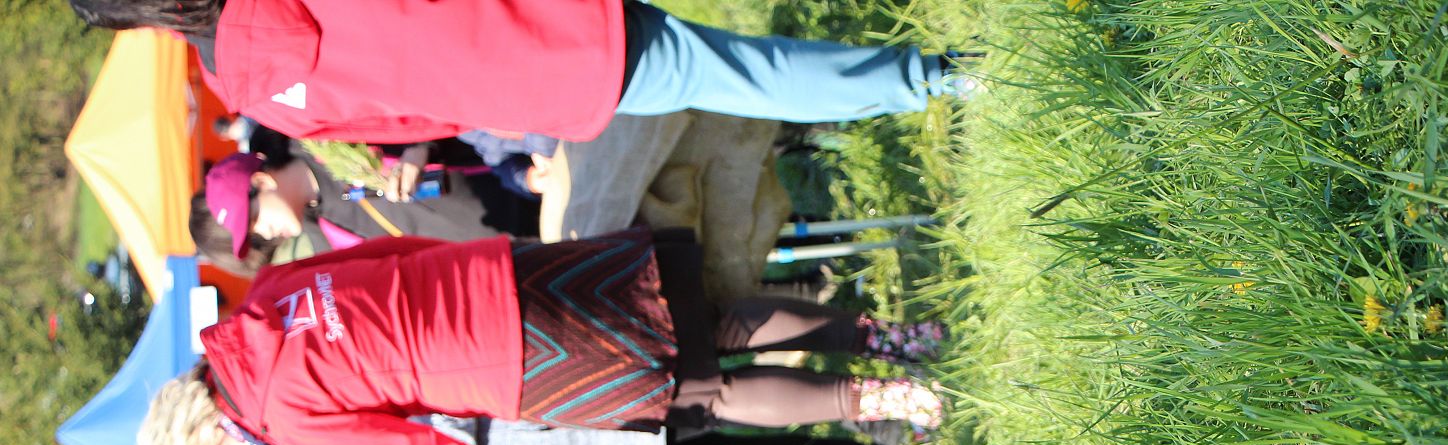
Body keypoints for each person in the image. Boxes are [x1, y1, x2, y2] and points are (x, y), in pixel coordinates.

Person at [135, 229, 943, 445]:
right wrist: (478, 262)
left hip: (505, 360)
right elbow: (388, 251)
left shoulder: (283, 420)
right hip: (496, 273)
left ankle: (890, 398)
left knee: (705, 390)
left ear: (210, 443)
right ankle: (889, 338)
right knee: (714, 317)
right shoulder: (261, 298)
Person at [68, 0, 969, 145]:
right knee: (737, 71)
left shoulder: (253, 92)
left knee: (735, 74)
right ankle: (931, 76)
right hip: (542, 35)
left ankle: (929, 77)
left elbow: (411, 126)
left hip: (531, 74)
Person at [191, 149, 538, 274]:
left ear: (261, 181)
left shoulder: (327, 137)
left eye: (254, 220)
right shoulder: (327, 248)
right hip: (525, 252)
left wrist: (419, 148)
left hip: (524, 172)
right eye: (255, 234)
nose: (264, 233)